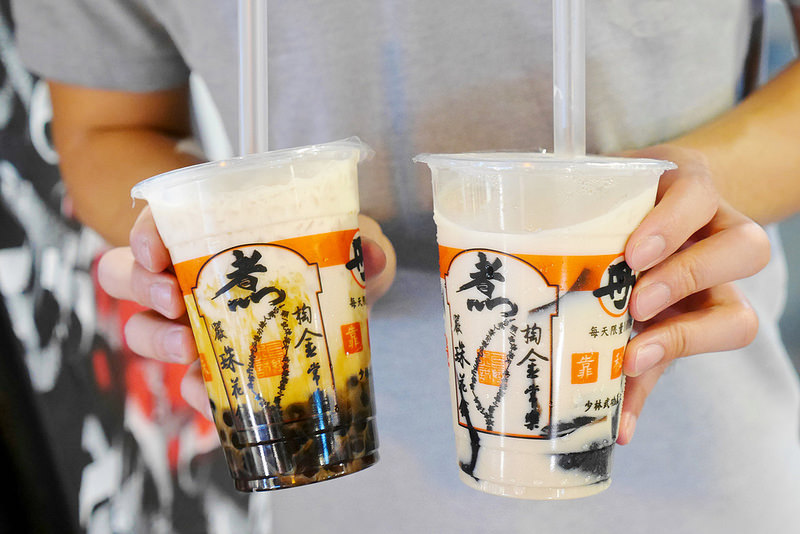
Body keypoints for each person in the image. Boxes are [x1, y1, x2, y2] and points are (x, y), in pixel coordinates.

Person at [11, 0, 800, 532]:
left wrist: (676, 203)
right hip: (334, 500)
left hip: (702, 476)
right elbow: (103, 129)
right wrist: (211, 234)